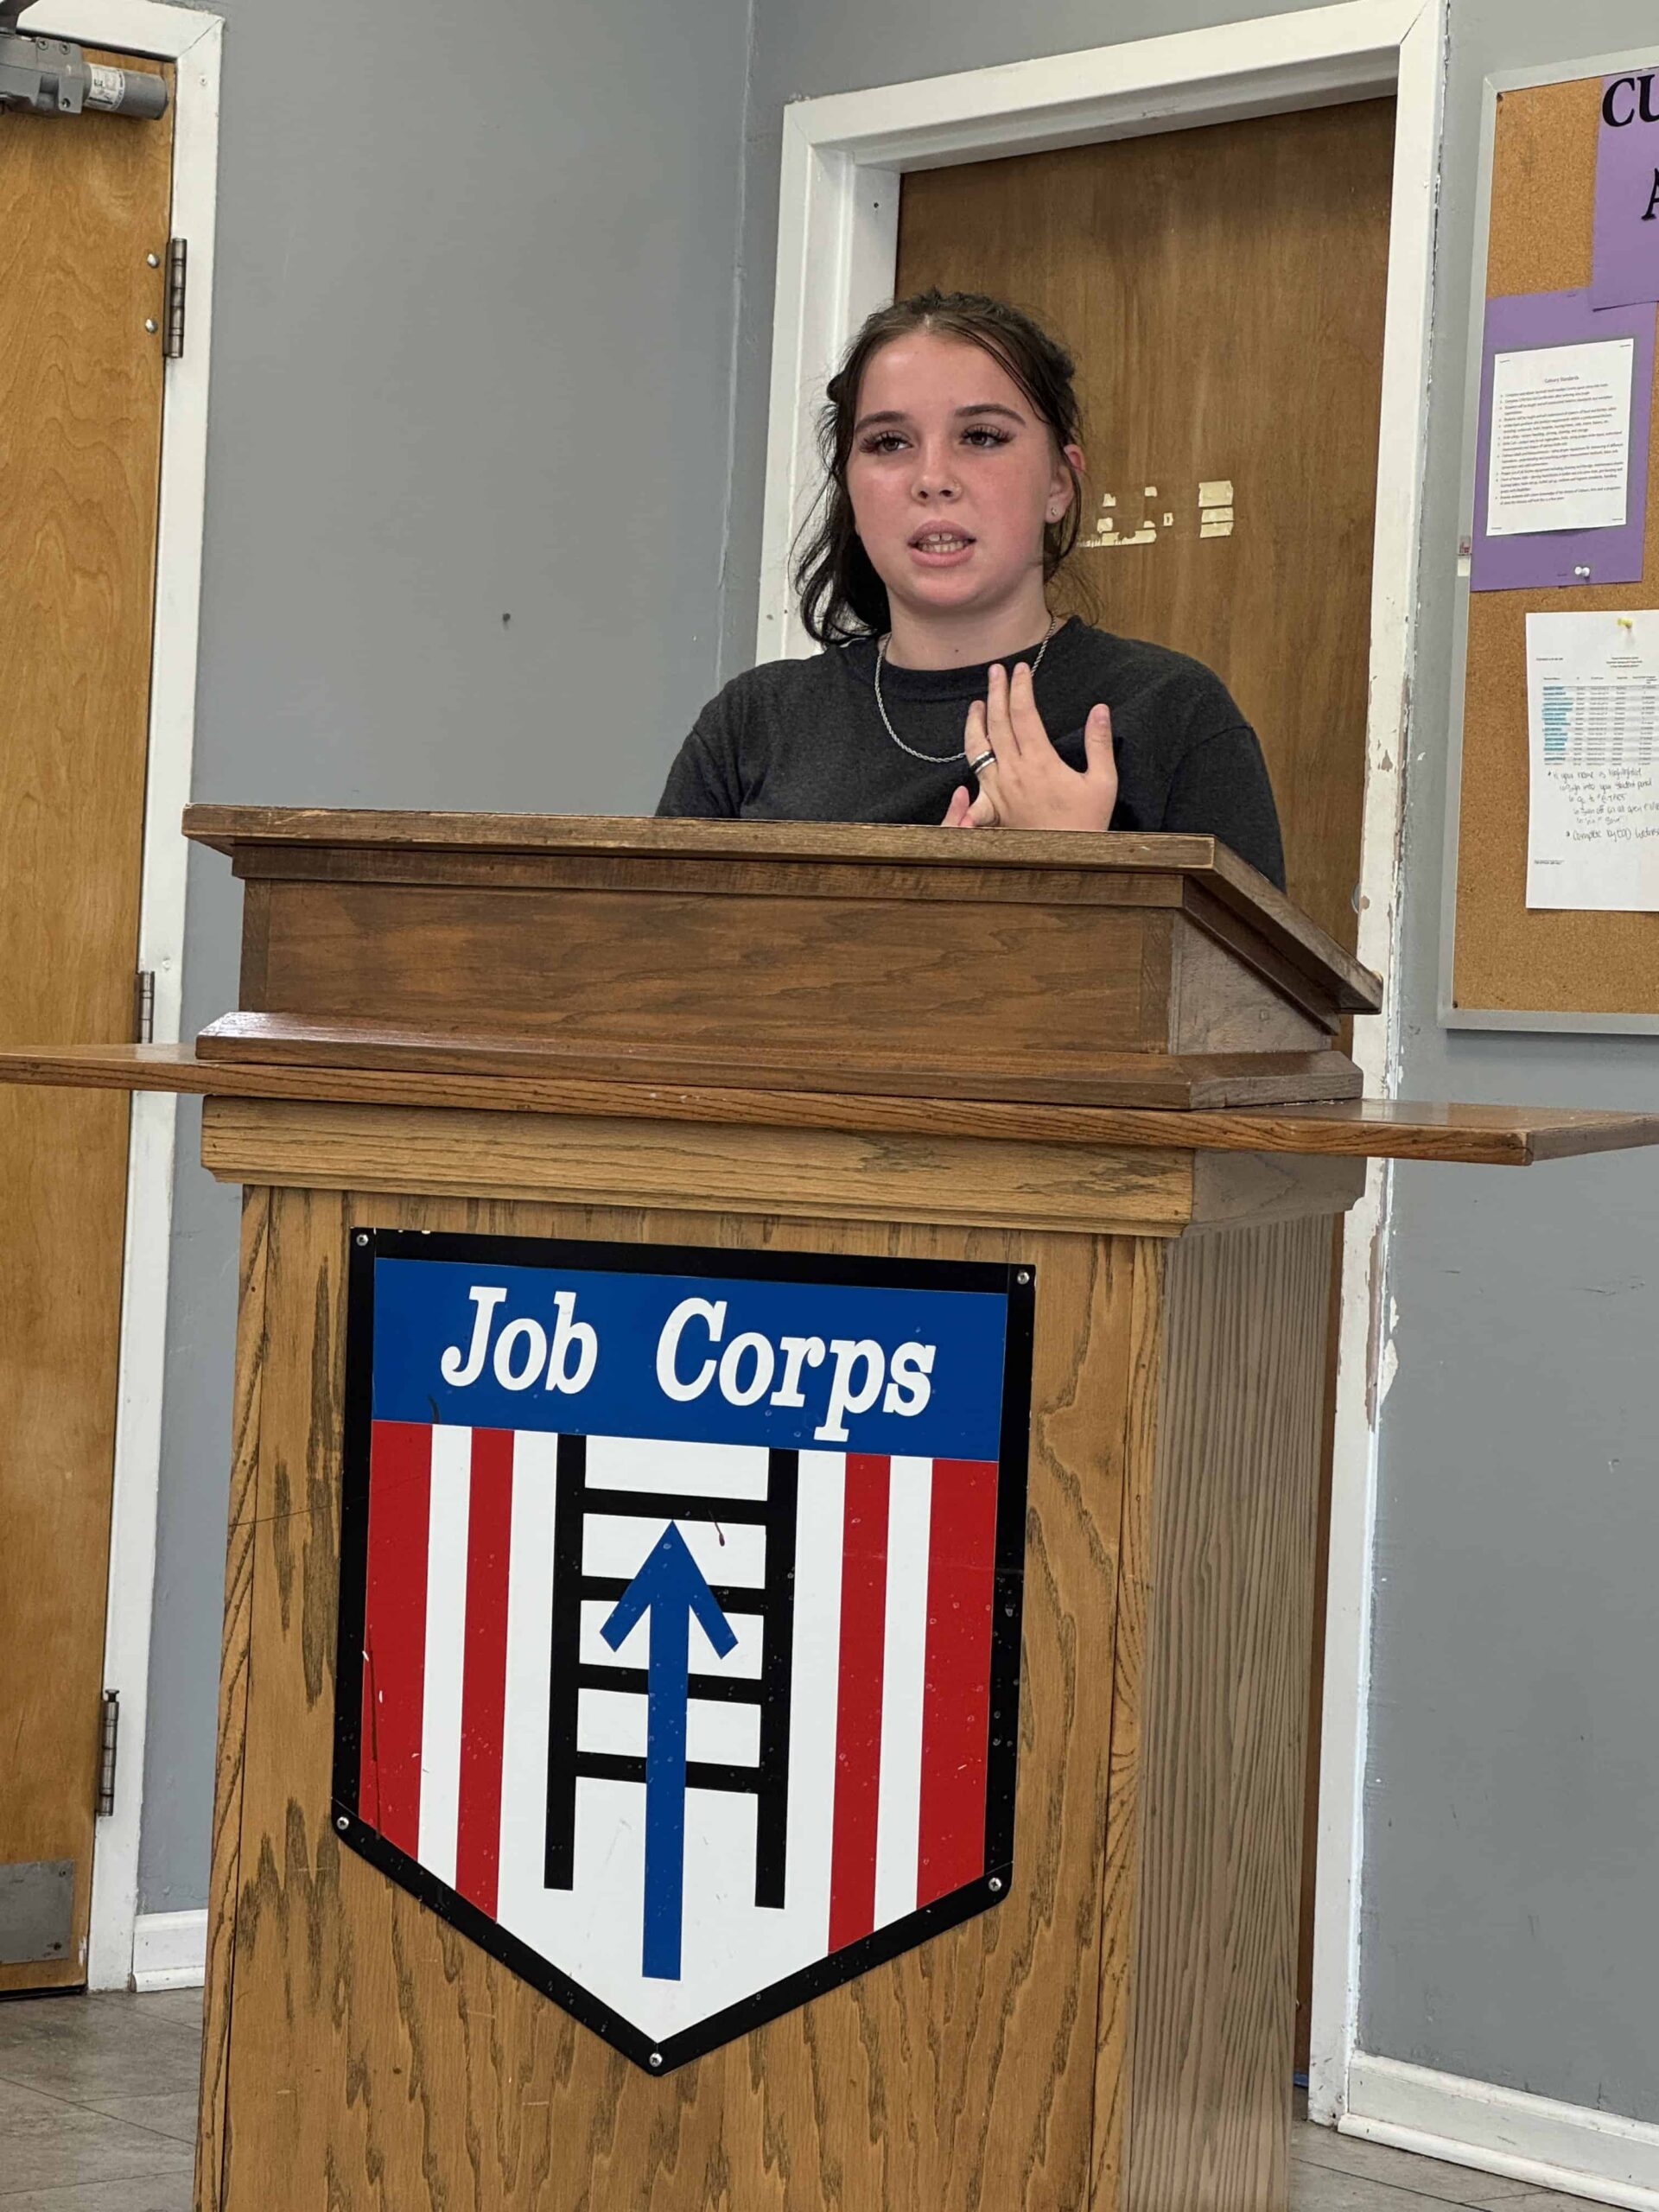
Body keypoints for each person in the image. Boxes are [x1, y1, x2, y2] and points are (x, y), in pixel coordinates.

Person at [657, 289, 1286, 889]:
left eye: (982, 437)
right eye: (889, 443)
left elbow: (1242, 970)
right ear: (850, 488)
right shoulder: (752, 725)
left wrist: (1075, 870)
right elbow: (653, 955)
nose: (933, 478)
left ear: (1058, 484)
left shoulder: (1175, 714)